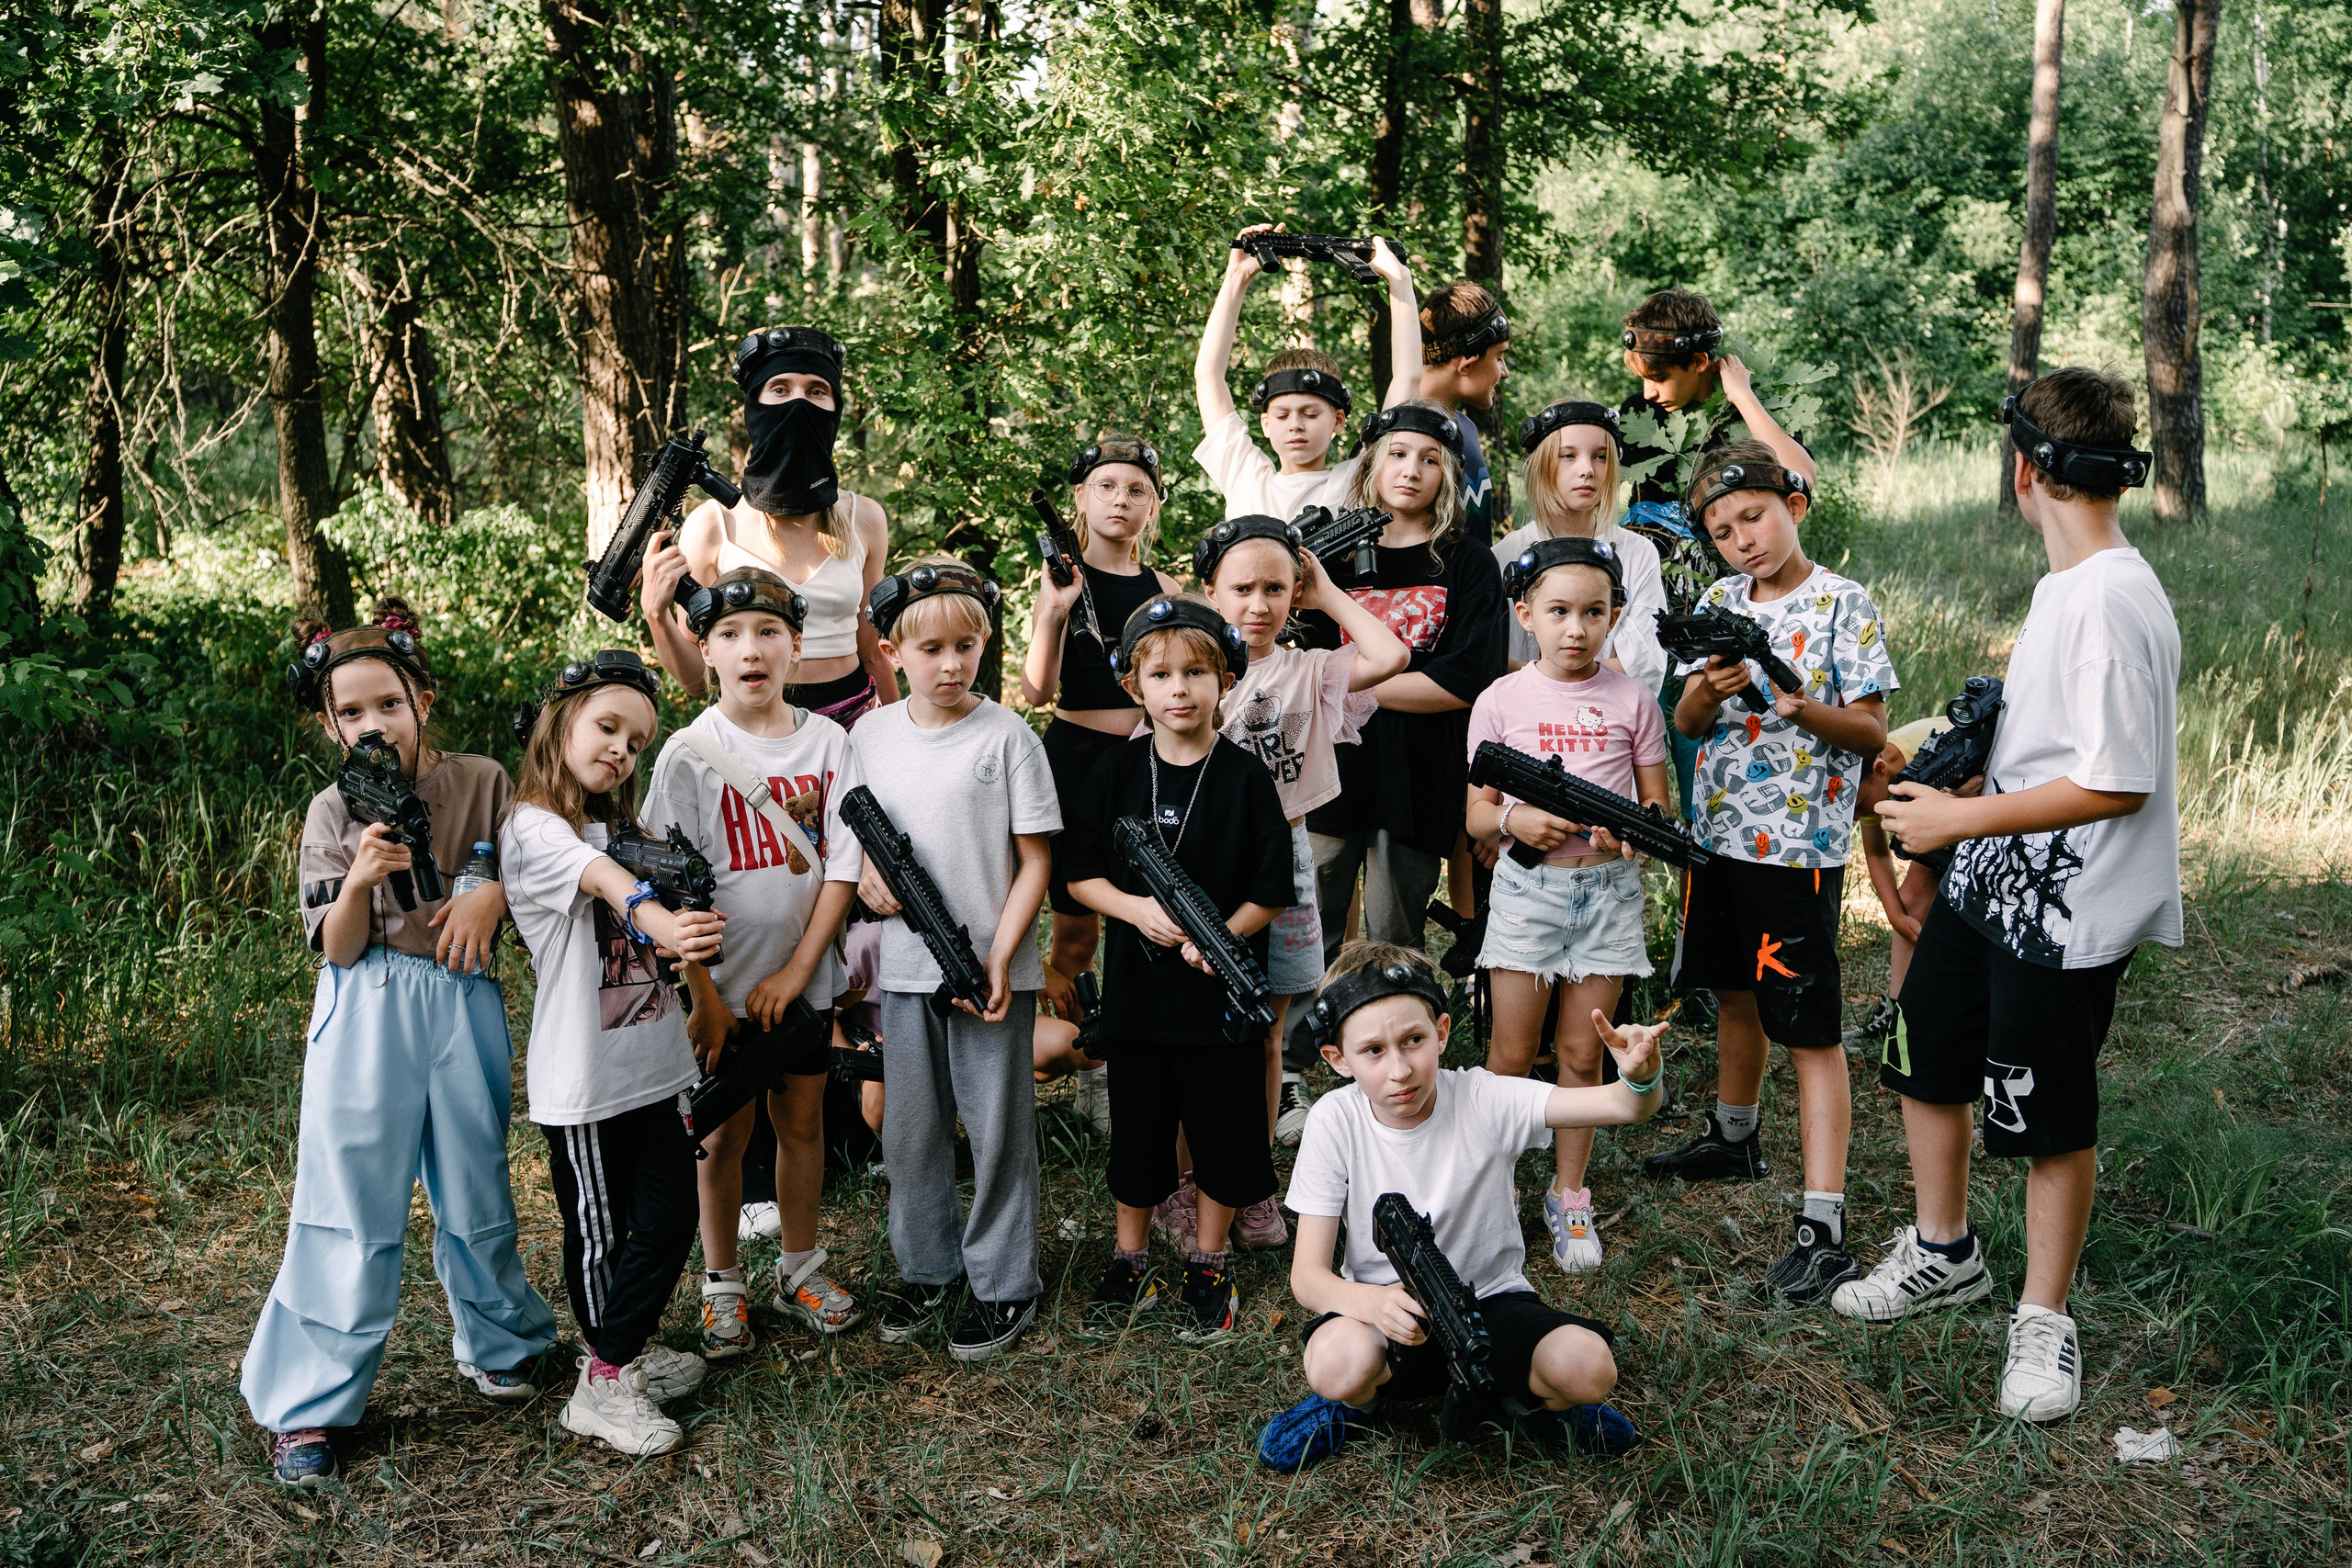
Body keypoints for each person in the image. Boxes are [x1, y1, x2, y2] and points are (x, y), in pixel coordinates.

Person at [1843, 368, 2180, 1425]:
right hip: (1992, 888)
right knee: (1924, 1059)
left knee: (2048, 1122)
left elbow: (2117, 780)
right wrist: (1976, 788)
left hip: (2066, 919)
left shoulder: (2113, 599)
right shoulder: (2060, 590)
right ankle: (1944, 1251)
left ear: (2024, 468)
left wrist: (1952, 824)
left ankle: (2043, 1317)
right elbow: (2057, 753)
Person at [243, 601, 560, 1489]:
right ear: (328, 724)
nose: (373, 723)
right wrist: (359, 880)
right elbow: (336, 944)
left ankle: (502, 1341)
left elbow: (531, 859)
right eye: (351, 712)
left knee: (475, 1176)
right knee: (351, 1196)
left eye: (388, 703)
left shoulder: (483, 779)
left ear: (423, 698)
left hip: (463, 997)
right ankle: (309, 1401)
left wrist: (491, 888)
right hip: (368, 998)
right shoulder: (330, 809)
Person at [1641, 443, 1894, 1305]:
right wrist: (1711, 692)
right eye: (1720, 531)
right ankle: (1734, 1133)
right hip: (1719, 839)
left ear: (1794, 503)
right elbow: (1686, 718)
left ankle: (1824, 1225)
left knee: (1811, 1030)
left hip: (1798, 851)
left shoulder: (1841, 604)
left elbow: (1869, 735)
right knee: (1733, 991)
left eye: (1753, 516)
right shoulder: (1717, 602)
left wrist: (1798, 706)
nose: (1741, 540)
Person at [1255, 942, 1667, 1472]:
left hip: (1490, 1305)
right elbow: (1308, 1279)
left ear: (1443, 1032)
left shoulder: (1482, 1098)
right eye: (1373, 1051)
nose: (1399, 1069)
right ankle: (1357, 1405)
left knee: (1589, 1370)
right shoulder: (1335, 1120)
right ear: (1337, 1060)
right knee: (1336, 1365)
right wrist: (1372, 1305)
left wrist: (1640, 1074)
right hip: (1388, 1315)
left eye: (1413, 1040)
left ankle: (1527, 1405)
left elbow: (1622, 1106)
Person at [501, 649, 729, 1457]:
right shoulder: (534, 829)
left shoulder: (626, 828)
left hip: (654, 1066)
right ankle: (603, 1383)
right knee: (600, 1236)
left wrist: (689, 938)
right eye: (607, 727)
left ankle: (618, 1354)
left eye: (636, 742)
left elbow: (650, 880)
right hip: (586, 1081)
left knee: (667, 1219)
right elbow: (602, 881)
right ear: (560, 721)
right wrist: (658, 918)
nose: (621, 751)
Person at [641, 567, 865, 1359]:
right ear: (705, 651)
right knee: (722, 1134)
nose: (752, 649)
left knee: (802, 1121)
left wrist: (802, 971)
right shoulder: (689, 752)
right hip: (723, 989)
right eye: (731, 636)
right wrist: (702, 994)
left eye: (770, 633)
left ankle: (800, 1264)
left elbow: (843, 865)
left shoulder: (830, 742)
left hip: (803, 983)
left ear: (797, 648)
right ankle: (723, 1281)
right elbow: (667, 885)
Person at [1062, 596, 1294, 1342]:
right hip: (1137, 998)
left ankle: (1209, 1257)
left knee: (1223, 1130)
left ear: (1224, 679)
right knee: (1138, 1132)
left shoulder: (1246, 778)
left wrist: (1217, 935)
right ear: (1135, 686)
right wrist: (1134, 911)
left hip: (1220, 999)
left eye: (1196, 671)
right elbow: (1080, 874)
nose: (1179, 688)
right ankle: (1131, 1258)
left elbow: (1271, 888)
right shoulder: (1115, 771)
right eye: (1160, 673)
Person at [854, 559, 1059, 1361]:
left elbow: (1034, 861)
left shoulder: (1009, 735)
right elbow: (856, 849)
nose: (950, 664)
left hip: (992, 976)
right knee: (910, 1132)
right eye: (931, 648)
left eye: (967, 646)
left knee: (999, 1126)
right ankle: (928, 1267)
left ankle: (1005, 1281)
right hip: (905, 971)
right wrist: (870, 878)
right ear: (893, 648)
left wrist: (1003, 956)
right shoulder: (868, 735)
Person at [1280, 402, 1508, 1077]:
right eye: (1399, 454)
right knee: (1311, 922)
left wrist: (1359, 684)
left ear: (1449, 475)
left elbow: (1466, 680)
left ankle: (1387, 1063)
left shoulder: (1466, 563)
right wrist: (1367, 676)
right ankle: (1293, 1067)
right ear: (1372, 462)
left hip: (1421, 773)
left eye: (1431, 459)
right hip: (1330, 768)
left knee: (1394, 928)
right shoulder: (1330, 560)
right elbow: (1304, 667)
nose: (1412, 470)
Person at [1465, 538, 1671, 1276]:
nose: (1577, 628)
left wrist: (1632, 829)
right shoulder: (1501, 699)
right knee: (1512, 1053)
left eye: (1594, 612)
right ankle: (1487, 1188)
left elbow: (1656, 805)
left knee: (1585, 1051)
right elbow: (1477, 813)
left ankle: (1569, 1191)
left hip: (1607, 892)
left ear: (1616, 615)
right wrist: (1514, 822)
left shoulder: (1632, 700)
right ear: (1526, 615)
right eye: (1558, 611)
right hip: (1527, 890)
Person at [1196, 517, 1408, 1158]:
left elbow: (1391, 656)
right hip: (1209, 864)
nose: (1258, 605)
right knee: (1204, 1024)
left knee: (1267, 1023)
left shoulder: (1309, 670)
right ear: (1211, 592)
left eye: (1276, 589)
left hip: (1284, 857)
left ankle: (1254, 1167)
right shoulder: (1195, 674)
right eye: (1241, 589)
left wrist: (1326, 593)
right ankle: (1196, 1162)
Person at [1019, 434, 1182, 1134]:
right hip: (1076, 758)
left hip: (1147, 760)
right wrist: (1056, 612)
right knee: (1078, 931)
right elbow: (1035, 689)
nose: (1121, 499)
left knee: (1144, 920)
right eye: (1107, 486)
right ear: (1082, 498)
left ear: (1153, 504)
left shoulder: (1168, 591)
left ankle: (1139, 1054)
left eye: (1136, 488)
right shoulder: (1060, 578)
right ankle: (1094, 1066)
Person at [640, 325, 895, 725]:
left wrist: (900, 732)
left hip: (856, 723)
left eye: (816, 391)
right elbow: (695, 679)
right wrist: (656, 614)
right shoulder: (713, 525)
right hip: (753, 731)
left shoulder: (863, 518)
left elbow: (871, 650)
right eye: (780, 389)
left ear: (834, 405)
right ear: (755, 403)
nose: (799, 403)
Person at [1192, 226, 1423, 520]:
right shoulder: (1245, 478)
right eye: (1282, 415)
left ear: (1338, 420)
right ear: (1265, 423)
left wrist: (1400, 283)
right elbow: (1208, 376)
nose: (1295, 426)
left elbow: (1408, 380)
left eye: (1310, 414)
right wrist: (1236, 278)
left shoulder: (1356, 479)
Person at [1492, 400, 1668, 692]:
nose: (1587, 469)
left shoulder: (1638, 554)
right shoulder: (1503, 556)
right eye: (1568, 455)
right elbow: (1490, 663)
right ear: (1542, 462)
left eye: (1600, 457)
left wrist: (1542, 675)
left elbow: (1644, 666)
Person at [1847, 716, 1956, 1043]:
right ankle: (1897, 1013)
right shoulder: (1863, 774)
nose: (1855, 817)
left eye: (1859, 806)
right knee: (1909, 902)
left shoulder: (1930, 757)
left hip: (1983, 794)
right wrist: (1895, 915)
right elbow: (1877, 854)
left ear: (1880, 769)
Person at [1416, 281, 1513, 545]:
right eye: (1499, 357)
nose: (1504, 372)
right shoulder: (1407, 440)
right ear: (1467, 365)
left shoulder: (1465, 427)